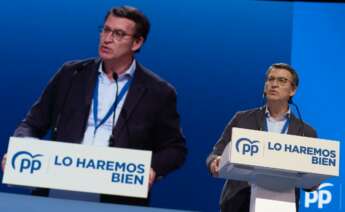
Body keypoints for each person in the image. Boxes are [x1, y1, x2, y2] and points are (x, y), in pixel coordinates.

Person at [1, 6, 187, 206]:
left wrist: (151, 169)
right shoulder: (70, 74)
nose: (107, 39)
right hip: (57, 187)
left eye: (118, 34)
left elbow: (175, 148)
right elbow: (31, 124)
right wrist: (21, 148)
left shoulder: (158, 92)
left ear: (137, 42)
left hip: (115, 198)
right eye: (105, 30)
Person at [206, 63, 317, 212]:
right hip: (239, 203)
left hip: (282, 205)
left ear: (293, 90)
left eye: (282, 80)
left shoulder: (306, 132)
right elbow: (217, 152)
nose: (274, 84)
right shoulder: (242, 119)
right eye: (270, 79)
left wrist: (314, 182)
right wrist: (214, 161)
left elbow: (310, 183)